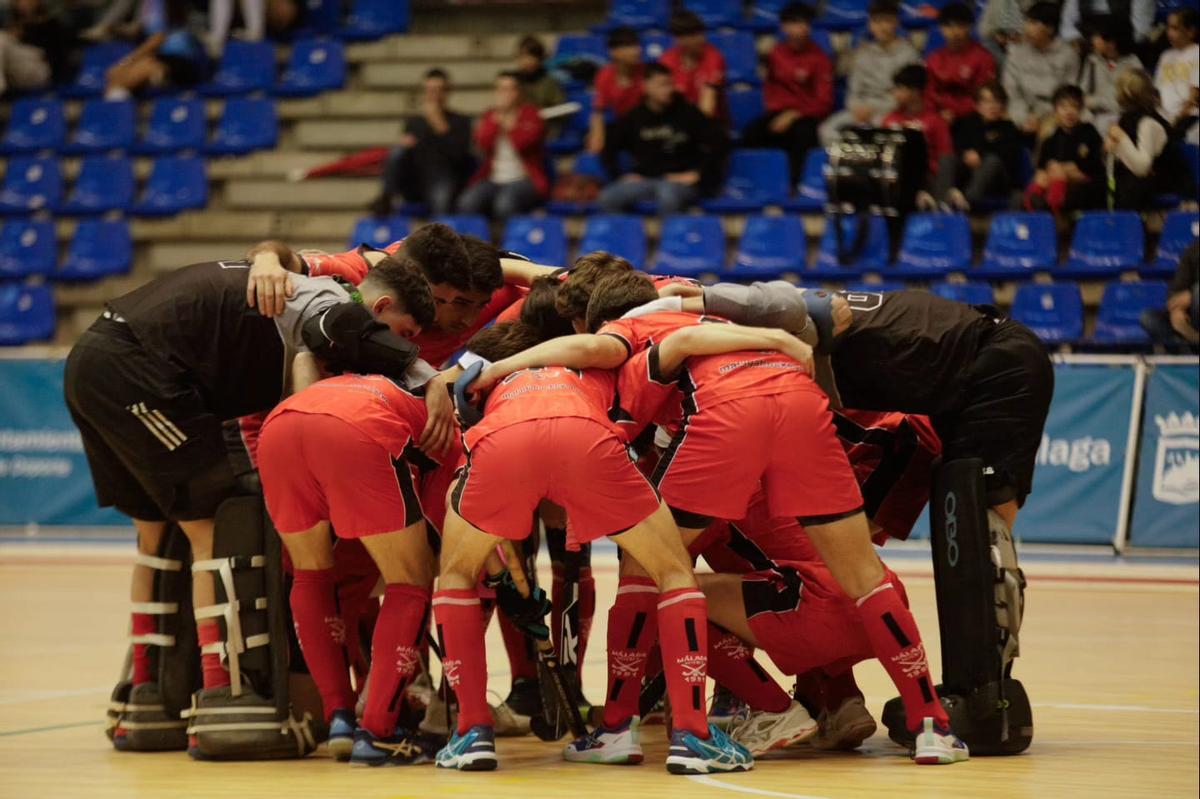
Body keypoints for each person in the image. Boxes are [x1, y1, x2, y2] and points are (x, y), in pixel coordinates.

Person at [471, 274, 971, 766]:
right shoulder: (710, 310)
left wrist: (500, 368)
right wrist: (776, 339)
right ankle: (933, 726)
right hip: (800, 399)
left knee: (652, 575)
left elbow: (609, 351)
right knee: (865, 576)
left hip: (730, 411)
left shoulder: (632, 327)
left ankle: (621, 729)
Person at [63, 250, 438, 751]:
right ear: (382, 306)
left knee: (156, 536)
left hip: (95, 360)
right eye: (404, 331)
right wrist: (429, 376)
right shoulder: (327, 298)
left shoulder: (281, 290)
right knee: (215, 528)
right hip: (139, 370)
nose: (401, 342)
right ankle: (223, 697)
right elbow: (346, 329)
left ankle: (148, 701)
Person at [435, 320, 813, 773]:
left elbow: (476, 472)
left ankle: (471, 733)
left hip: (499, 443)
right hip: (587, 436)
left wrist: (499, 575)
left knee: (454, 578)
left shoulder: (481, 377)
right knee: (673, 574)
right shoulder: (602, 361)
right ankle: (690, 736)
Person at [258, 368, 452, 766]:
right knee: (411, 582)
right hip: (359, 429)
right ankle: (378, 732)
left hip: (281, 425)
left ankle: (341, 719)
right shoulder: (459, 429)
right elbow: (446, 547)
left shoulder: (378, 379)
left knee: (310, 572)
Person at [598, 62, 727, 215]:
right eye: (662, 85)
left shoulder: (688, 113)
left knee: (667, 195)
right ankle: (629, 237)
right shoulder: (634, 117)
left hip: (679, 181)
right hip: (646, 179)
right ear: (645, 86)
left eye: (670, 84)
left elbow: (721, 143)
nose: (668, 90)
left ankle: (670, 238)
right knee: (607, 197)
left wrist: (698, 174)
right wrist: (619, 175)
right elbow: (608, 150)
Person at [743, 3, 833, 184]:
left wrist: (793, 115)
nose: (803, 28)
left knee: (801, 136)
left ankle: (796, 186)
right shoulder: (775, 54)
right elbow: (770, 88)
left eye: (806, 23)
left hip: (806, 115)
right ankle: (756, 184)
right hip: (778, 113)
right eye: (797, 23)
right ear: (784, 27)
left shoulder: (820, 59)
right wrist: (776, 112)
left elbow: (824, 102)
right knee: (750, 134)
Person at [370, 68, 474, 218]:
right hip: (415, 177)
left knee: (442, 198)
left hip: (443, 175)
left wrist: (438, 122)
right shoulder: (415, 122)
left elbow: (458, 156)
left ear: (447, 92)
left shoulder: (460, 121)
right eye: (430, 90)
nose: (434, 96)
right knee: (397, 152)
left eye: (439, 90)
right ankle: (386, 197)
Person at [818, 1, 920, 146]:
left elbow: (905, 96)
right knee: (827, 130)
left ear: (896, 23)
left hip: (890, 111)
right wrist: (856, 108)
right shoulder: (862, 53)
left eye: (887, 21)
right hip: (860, 109)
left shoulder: (909, 54)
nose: (882, 27)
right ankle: (849, 163)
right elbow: (853, 89)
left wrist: (874, 110)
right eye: (877, 22)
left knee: (882, 131)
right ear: (870, 24)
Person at [457, 71, 548, 220]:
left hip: (524, 178)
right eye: (500, 89)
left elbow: (523, 144)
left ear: (518, 92)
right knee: (467, 202)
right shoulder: (491, 115)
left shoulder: (531, 114)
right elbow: (482, 144)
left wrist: (509, 124)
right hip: (493, 178)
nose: (503, 94)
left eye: (508, 89)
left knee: (504, 204)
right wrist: (496, 121)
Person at [933, 81, 1024, 210]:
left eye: (996, 102)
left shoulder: (1009, 128)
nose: (992, 106)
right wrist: (966, 155)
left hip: (998, 180)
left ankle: (966, 203)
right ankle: (941, 204)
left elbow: (1008, 158)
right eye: (987, 102)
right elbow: (958, 147)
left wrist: (980, 156)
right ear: (978, 105)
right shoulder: (968, 123)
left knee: (992, 161)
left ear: (1003, 105)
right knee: (947, 159)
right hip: (968, 174)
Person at [1105, 68, 1182, 210]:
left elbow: (1141, 167)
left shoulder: (1149, 122)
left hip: (1162, 179)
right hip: (1136, 178)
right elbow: (1120, 160)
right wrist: (1111, 148)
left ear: (1128, 93)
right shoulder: (1126, 119)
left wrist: (1120, 138)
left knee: (1131, 187)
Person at [1023, 84, 1105, 216]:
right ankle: (1039, 212)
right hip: (1054, 187)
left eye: (1074, 107)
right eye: (1063, 107)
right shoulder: (1050, 141)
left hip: (1085, 190)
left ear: (1081, 110)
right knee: (1033, 187)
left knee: (1059, 177)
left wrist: (1067, 171)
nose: (1069, 112)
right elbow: (1041, 172)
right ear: (1055, 110)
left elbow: (1095, 172)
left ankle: (1051, 213)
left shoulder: (1090, 133)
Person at [1002, 2, 1080, 139]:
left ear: (1049, 29)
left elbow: (1068, 95)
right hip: (1021, 111)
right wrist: (1023, 118)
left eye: (1033, 23)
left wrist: (1045, 117)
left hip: (1053, 113)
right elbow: (1011, 91)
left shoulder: (1068, 55)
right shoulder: (1016, 52)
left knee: (1050, 134)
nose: (1026, 28)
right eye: (1026, 22)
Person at [103, 0, 210, 100]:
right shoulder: (146, 4)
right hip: (160, 57)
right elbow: (140, 29)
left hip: (183, 61)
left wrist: (126, 62)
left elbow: (157, 39)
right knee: (115, 75)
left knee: (139, 68)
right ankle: (116, 112)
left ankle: (116, 112)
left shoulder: (163, 4)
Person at [881, 65, 954, 204]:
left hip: (927, 178)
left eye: (900, 89)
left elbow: (945, 158)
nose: (895, 93)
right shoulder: (889, 119)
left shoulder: (935, 121)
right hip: (895, 177)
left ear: (915, 91)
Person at [925, 2, 996, 129]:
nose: (954, 31)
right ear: (941, 28)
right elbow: (929, 93)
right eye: (948, 26)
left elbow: (983, 95)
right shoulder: (934, 58)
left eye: (960, 26)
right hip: (940, 116)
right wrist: (940, 113)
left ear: (969, 27)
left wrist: (956, 112)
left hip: (974, 118)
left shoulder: (984, 57)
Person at [1079, 15, 1143, 134]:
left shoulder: (1133, 64)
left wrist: (1097, 102)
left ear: (1112, 42)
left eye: (1097, 37)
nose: (1093, 40)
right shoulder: (1092, 60)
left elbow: (1134, 102)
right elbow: (1082, 94)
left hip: (1122, 119)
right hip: (1094, 117)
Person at [587, 26, 645, 154]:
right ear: (614, 52)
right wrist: (596, 136)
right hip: (624, 125)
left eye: (637, 45)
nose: (637, 51)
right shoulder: (604, 75)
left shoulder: (647, 73)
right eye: (630, 47)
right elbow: (598, 111)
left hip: (648, 123)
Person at [0, 0, 77, 94]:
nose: (24, 3)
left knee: (1, 39)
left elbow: (59, 55)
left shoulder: (51, 24)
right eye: (19, 1)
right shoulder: (11, 24)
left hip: (41, 68)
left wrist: (23, 36)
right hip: (14, 71)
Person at [660, 10, 726, 118]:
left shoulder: (713, 57)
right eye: (693, 35)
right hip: (676, 121)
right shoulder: (667, 60)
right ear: (679, 39)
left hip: (706, 124)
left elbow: (707, 109)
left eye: (700, 33)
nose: (701, 39)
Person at [1141, 240, 1200, 352]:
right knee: (1148, 318)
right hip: (1190, 320)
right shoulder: (1194, 249)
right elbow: (1175, 291)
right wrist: (1176, 311)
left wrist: (1191, 295)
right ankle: (1186, 353)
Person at [1155, 9, 1199, 133]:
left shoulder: (1197, 54)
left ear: (1191, 31)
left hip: (1188, 116)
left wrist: (1176, 119)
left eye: (1175, 28)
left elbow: (1193, 97)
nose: (1169, 33)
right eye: (1168, 28)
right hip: (1163, 115)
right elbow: (1157, 91)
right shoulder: (1165, 55)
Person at [1059, 0, 1154, 49]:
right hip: (1086, 46)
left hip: (1124, 48)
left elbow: (1140, 31)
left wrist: (1109, 44)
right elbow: (1067, 26)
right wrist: (1085, 43)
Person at [514, 35, 566, 111]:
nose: (527, 61)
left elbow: (560, 109)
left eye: (532, 56)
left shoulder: (549, 83)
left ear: (540, 59)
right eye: (523, 56)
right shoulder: (514, 81)